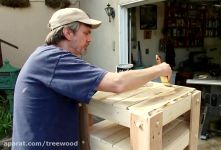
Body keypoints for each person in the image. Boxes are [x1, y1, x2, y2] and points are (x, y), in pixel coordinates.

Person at [11, 8, 172, 150]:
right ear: (68, 32)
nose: (90, 39)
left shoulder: (47, 57)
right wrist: (160, 68)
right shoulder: (55, 60)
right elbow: (117, 82)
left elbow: (102, 81)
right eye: (86, 33)